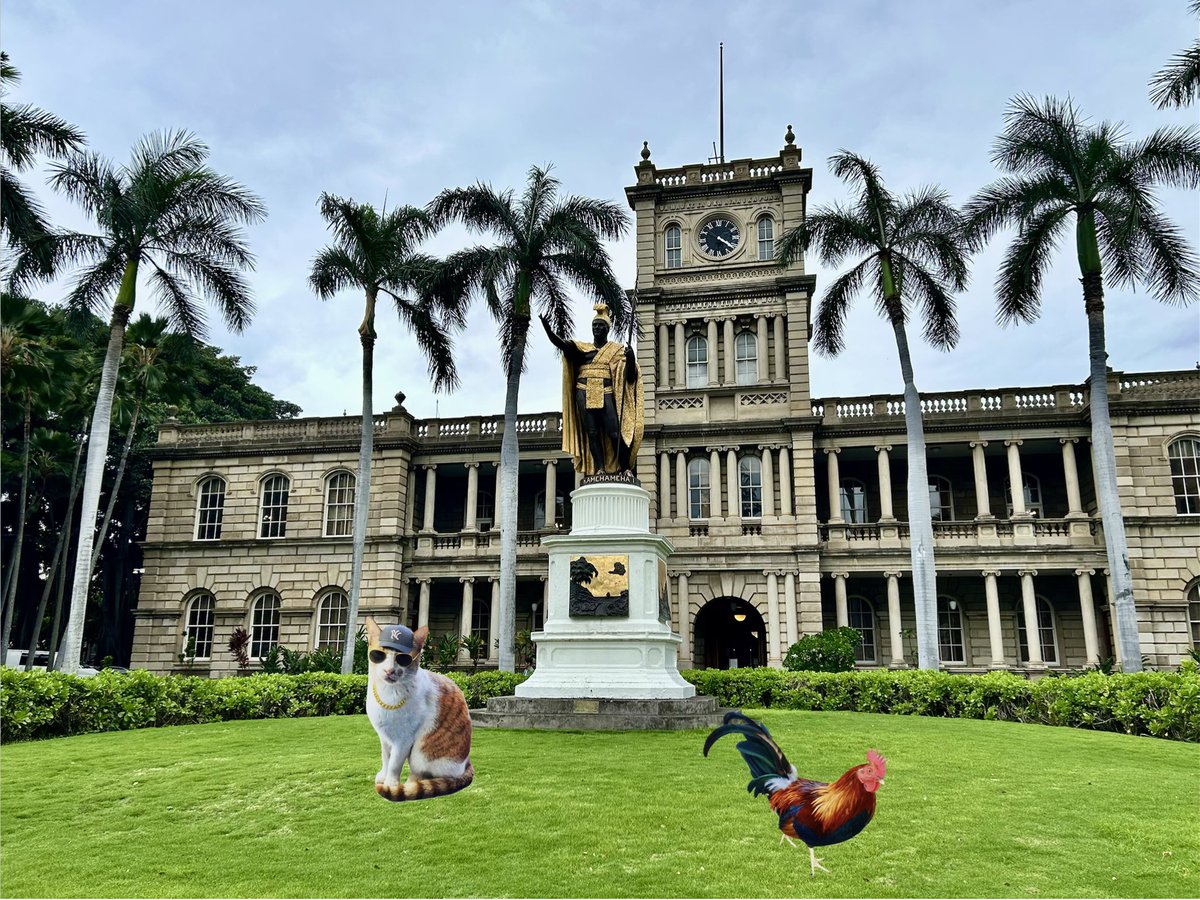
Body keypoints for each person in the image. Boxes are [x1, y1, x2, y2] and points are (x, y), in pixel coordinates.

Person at [540, 303, 644, 476]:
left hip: (606, 390)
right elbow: (562, 345)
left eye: (601, 325)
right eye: (594, 325)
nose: (597, 328)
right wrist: (548, 331)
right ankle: (600, 468)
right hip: (583, 390)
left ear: (607, 329)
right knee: (593, 433)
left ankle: (625, 468)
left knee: (614, 432)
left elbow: (630, 377)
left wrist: (631, 358)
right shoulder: (583, 349)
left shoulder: (616, 351)